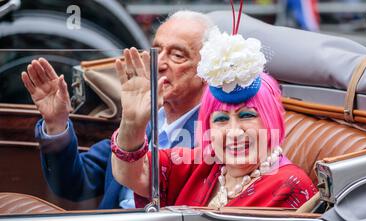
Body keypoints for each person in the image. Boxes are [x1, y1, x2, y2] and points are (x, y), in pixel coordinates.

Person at [21, 11, 214, 209]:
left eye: (177, 55)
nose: (159, 63)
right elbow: (73, 185)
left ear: (206, 70)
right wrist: (56, 123)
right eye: (156, 51)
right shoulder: (143, 120)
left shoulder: (215, 133)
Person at [111, 27, 317, 209]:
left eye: (247, 115)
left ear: (271, 120)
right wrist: (132, 124)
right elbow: (132, 174)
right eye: (221, 119)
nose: (234, 132)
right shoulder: (202, 163)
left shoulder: (290, 185)